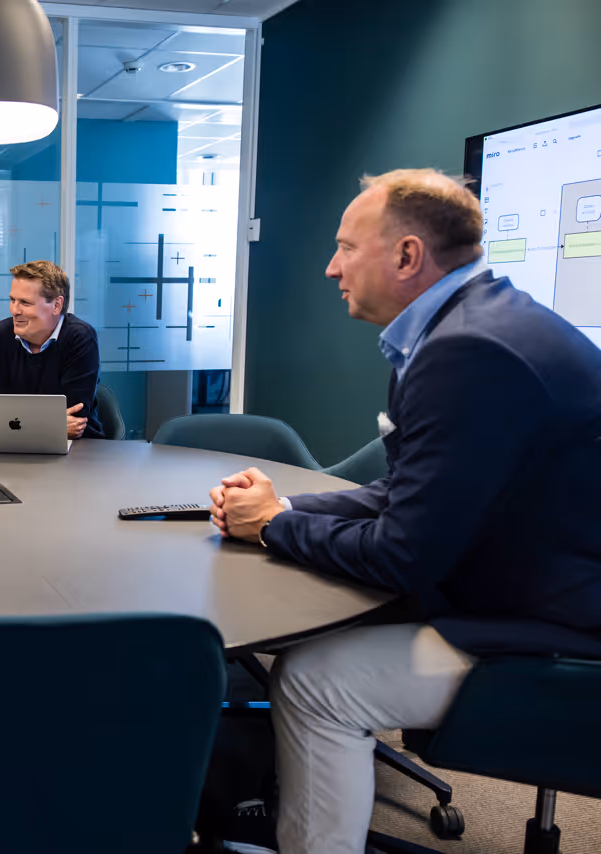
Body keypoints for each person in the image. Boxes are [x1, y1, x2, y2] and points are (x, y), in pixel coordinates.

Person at [209, 168, 601, 854]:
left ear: (407, 256)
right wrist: (290, 505)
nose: (332, 268)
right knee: (312, 628)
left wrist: (274, 525)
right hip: (526, 577)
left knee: (315, 682)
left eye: (345, 248)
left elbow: (404, 552)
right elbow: (408, 490)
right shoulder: (469, 324)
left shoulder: (468, 352)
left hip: (562, 624)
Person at [0, 260, 103, 439]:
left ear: (57, 305)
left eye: (25, 303)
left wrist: (13, 422)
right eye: (12, 300)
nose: (14, 310)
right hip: (11, 445)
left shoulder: (80, 337)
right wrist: (52, 424)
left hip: (78, 449)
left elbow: (75, 421)